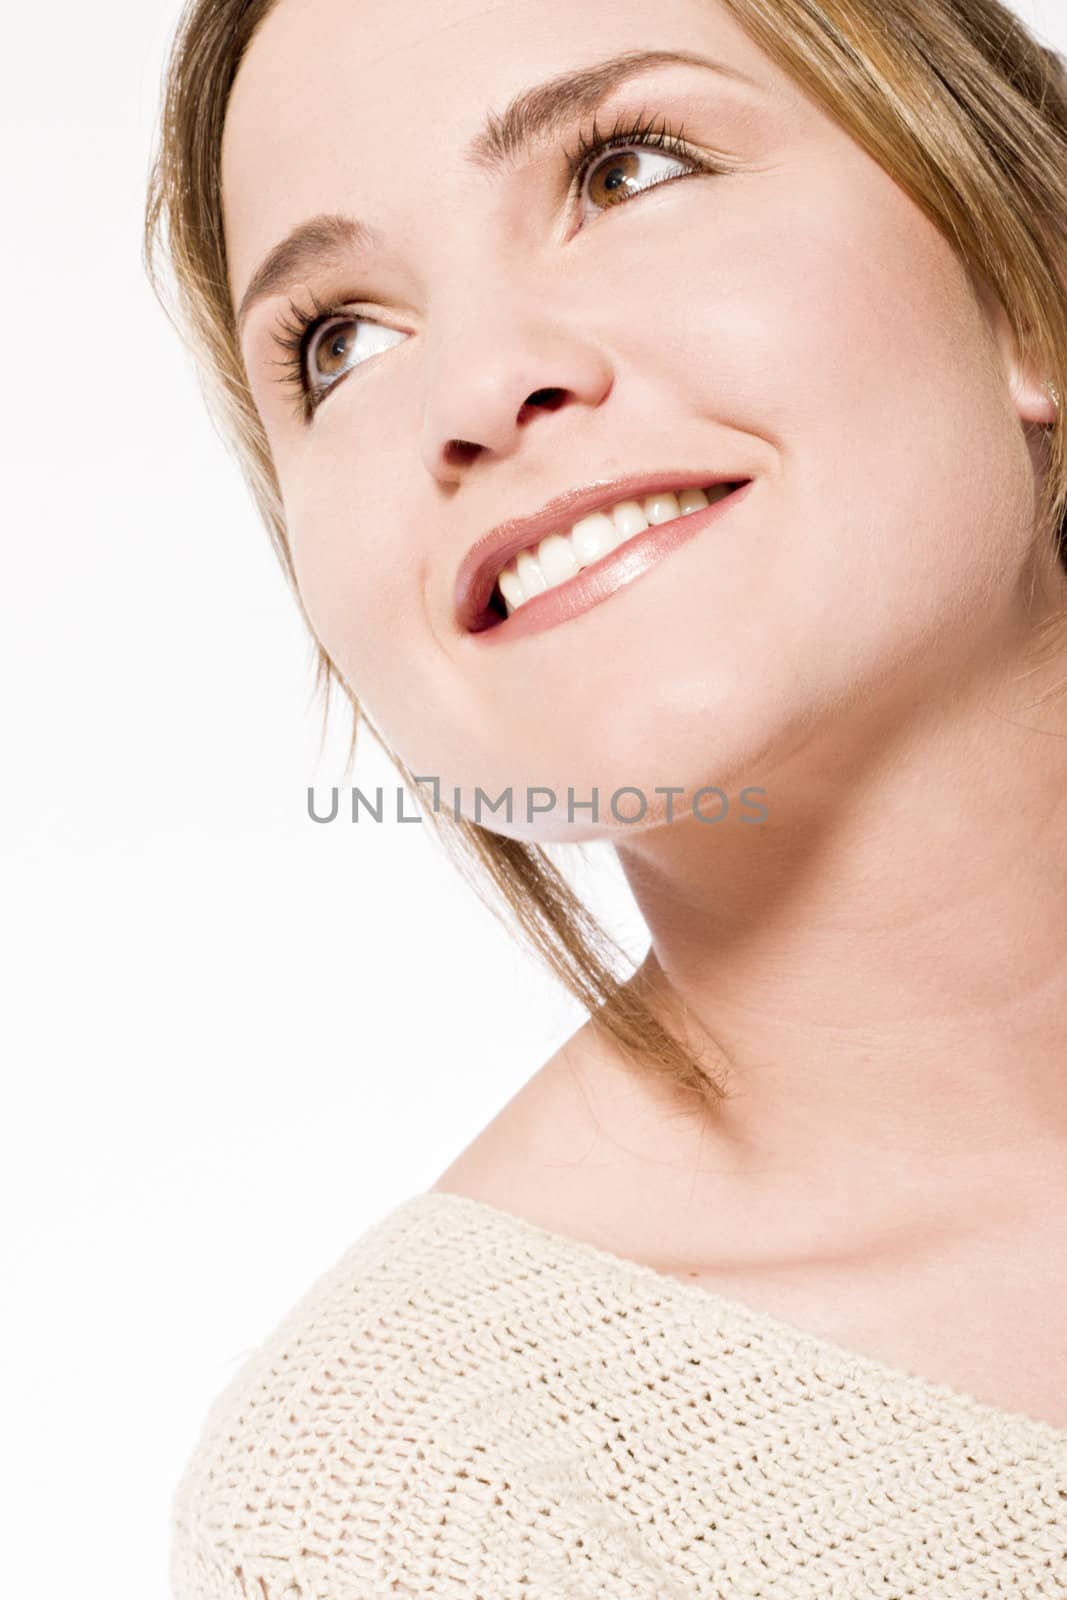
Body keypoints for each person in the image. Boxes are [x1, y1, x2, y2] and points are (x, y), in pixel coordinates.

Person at [145, 0, 1067, 1593]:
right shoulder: (416, 1510)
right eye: (337, 339)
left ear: (1020, 291)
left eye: (626, 168)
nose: (479, 388)